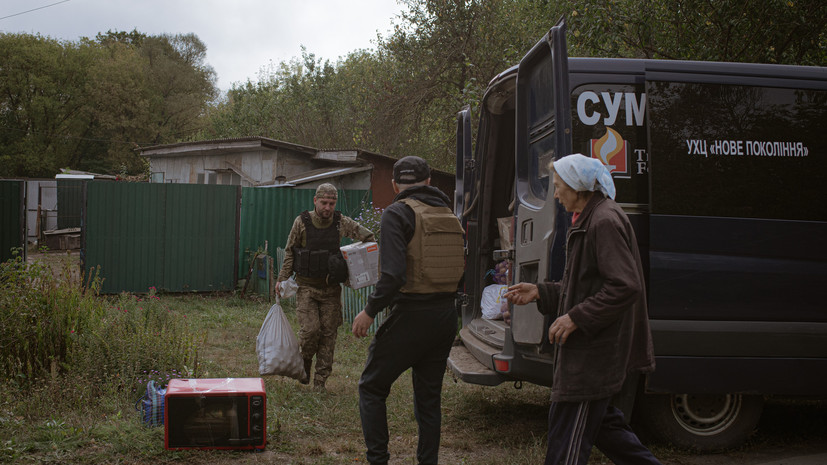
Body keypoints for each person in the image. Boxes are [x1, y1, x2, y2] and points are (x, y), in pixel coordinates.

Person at [504, 154, 661, 465]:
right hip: (593, 353)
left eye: (559, 186)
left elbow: (624, 286)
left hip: (594, 355)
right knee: (604, 427)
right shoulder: (591, 218)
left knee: (566, 444)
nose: (556, 194)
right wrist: (540, 291)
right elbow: (585, 285)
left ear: (578, 187)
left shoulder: (604, 221)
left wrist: (576, 317)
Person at [352, 156, 464, 465]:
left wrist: (369, 311)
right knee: (429, 399)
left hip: (412, 315)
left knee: (372, 387)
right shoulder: (450, 215)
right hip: (445, 317)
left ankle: (378, 460)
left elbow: (393, 276)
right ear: (429, 181)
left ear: (394, 185)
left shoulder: (397, 213)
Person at [276, 183, 374, 390]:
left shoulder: (341, 222)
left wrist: (356, 263)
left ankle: (320, 382)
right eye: (324, 203)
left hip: (330, 290)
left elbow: (368, 237)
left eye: (331, 203)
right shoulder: (301, 222)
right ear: (315, 201)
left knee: (329, 336)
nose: (328, 207)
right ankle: (304, 362)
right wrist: (282, 278)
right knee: (311, 331)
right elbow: (290, 251)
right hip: (306, 288)